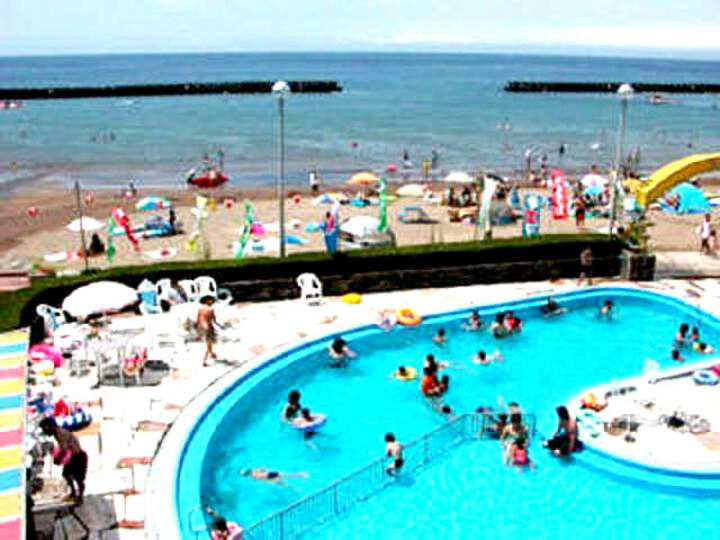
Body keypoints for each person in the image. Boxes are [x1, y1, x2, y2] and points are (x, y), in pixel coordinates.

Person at [39, 417, 87, 503]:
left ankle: (79, 496)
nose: (45, 432)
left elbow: (65, 449)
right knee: (68, 475)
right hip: (75, 456)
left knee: (77, 478)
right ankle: (74, 494)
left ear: (49, 427)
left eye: (44, 429)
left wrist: (58, 459)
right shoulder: (59, 432)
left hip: (77, 456)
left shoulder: (59, 433)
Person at [196, 296, 219, 366]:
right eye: (211, 300)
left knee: (209, 343)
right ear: (207, 301)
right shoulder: (210, 309)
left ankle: (212, 354)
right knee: (209, 344)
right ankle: (204, 361)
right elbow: (213, 320)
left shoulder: (200, 309)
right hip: (208, 328)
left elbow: (198, 319)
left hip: (201, 327)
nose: (212, 302)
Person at [240, 467, 308, 486]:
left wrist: (270, 481)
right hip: (270, 475)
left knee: (287, 476)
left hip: (271, 475)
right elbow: (264, 468)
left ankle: (302, 474)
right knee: (283, 481)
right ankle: (301, 475)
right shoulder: (253, 473)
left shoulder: (253, 475)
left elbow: (263, 470)